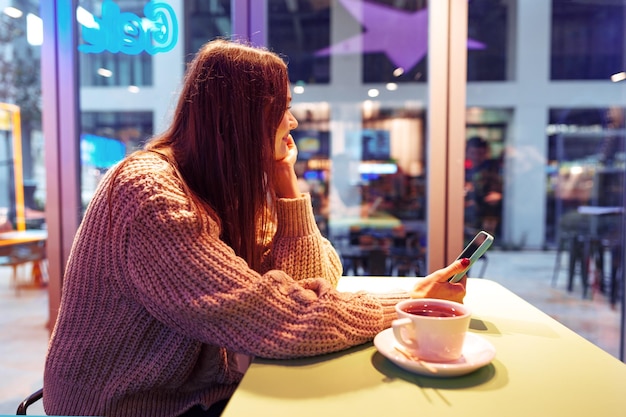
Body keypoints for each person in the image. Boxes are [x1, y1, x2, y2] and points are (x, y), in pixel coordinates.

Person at [43, 39, 470, 417]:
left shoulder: (222, 190)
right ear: (243, 119)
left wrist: (286, 183)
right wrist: (406, 303)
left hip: (190, 396)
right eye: (283, 109)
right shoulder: (151, 193)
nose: (294, 123)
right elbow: (280, 320)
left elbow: (313, 283)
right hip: (126, 408)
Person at [464, 136, 503, 237]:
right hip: (467, 220)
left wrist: (500, 196)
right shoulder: (460, 170)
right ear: (466, 152)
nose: (476, 157)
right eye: (473, 153)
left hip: (490, 216)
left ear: (486, 153)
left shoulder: (495, 169)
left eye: (480, 153)